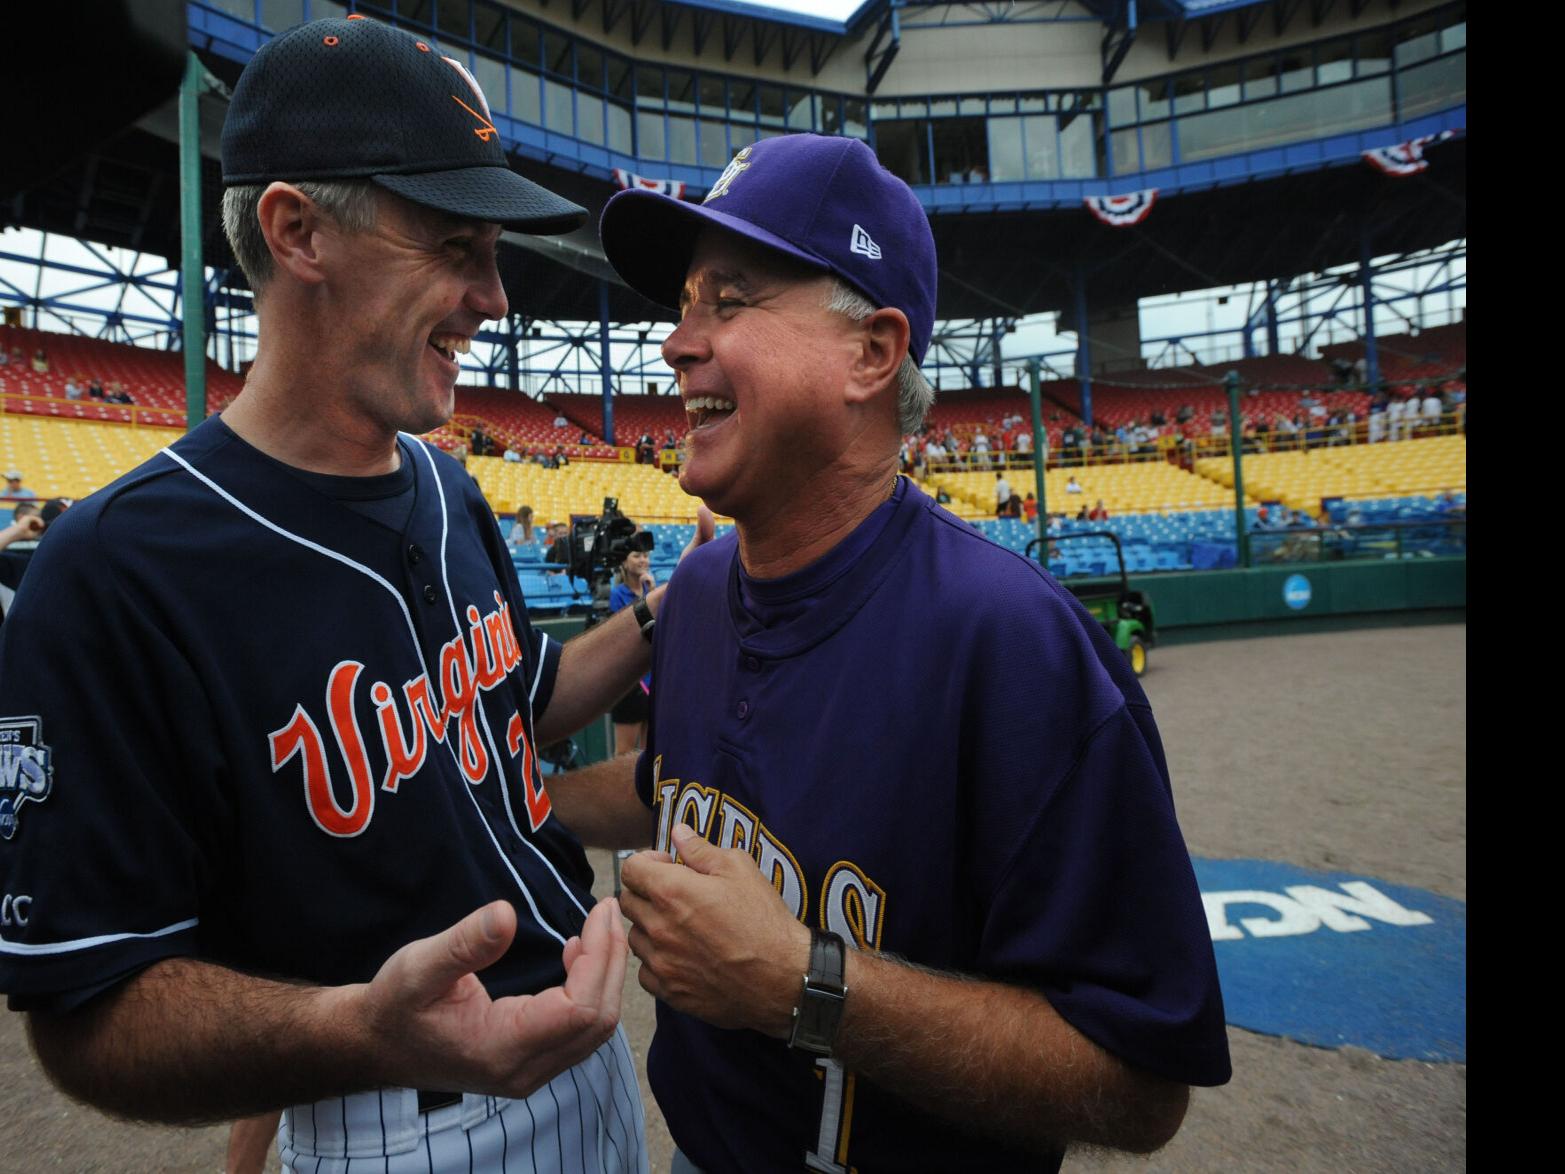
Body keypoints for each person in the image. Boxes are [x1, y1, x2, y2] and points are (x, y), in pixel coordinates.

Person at [0, 18, 670, 1173]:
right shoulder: (114, 573)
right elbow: (87, 1013)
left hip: (595, 1064)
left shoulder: (450, 489)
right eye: (457, 245)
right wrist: (348, 1030)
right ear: (296, 229)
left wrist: (665, 614)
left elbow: (514, 703)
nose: (493, 297)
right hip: (400, 1116)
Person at [552, 132, 1230, 1172]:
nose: (676, 343)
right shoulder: (693, 591)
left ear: (870, 353)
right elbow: (669, 781)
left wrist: (802, 983)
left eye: (727, 300)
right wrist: (513, 803)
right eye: (683, 304)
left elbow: (1140, 1083)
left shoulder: (1011, 640)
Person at [607, 545, 655, 756]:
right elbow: (626, 633)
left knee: (649, 752)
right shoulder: (617, 594)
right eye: (637, 555)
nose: (642, 560)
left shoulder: (652, 590)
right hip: (629, 681)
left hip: (652, 677)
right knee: (624, 754)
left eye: (645, 555)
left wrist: (652, 592)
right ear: (624, 563)